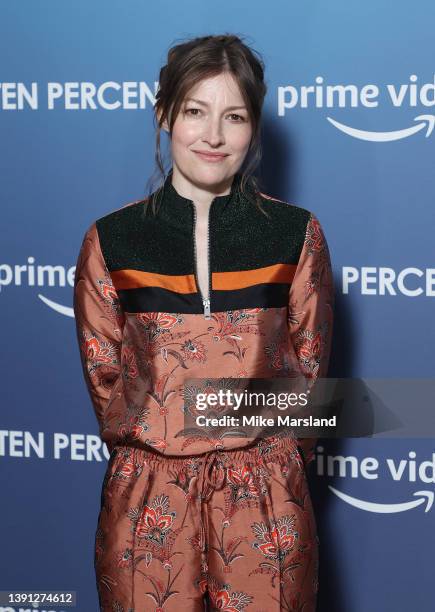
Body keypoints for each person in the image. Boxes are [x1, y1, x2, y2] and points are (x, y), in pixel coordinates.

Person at [73, 33, 334, 612]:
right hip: (148, 505)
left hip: (266, 506)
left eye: (234, 117)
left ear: (253, 128)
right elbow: (107, 384)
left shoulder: (295, 234)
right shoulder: (111, 240)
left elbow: (309, 384)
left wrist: (264, 468)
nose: (214, 136)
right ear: (165, 113)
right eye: (195, 111)